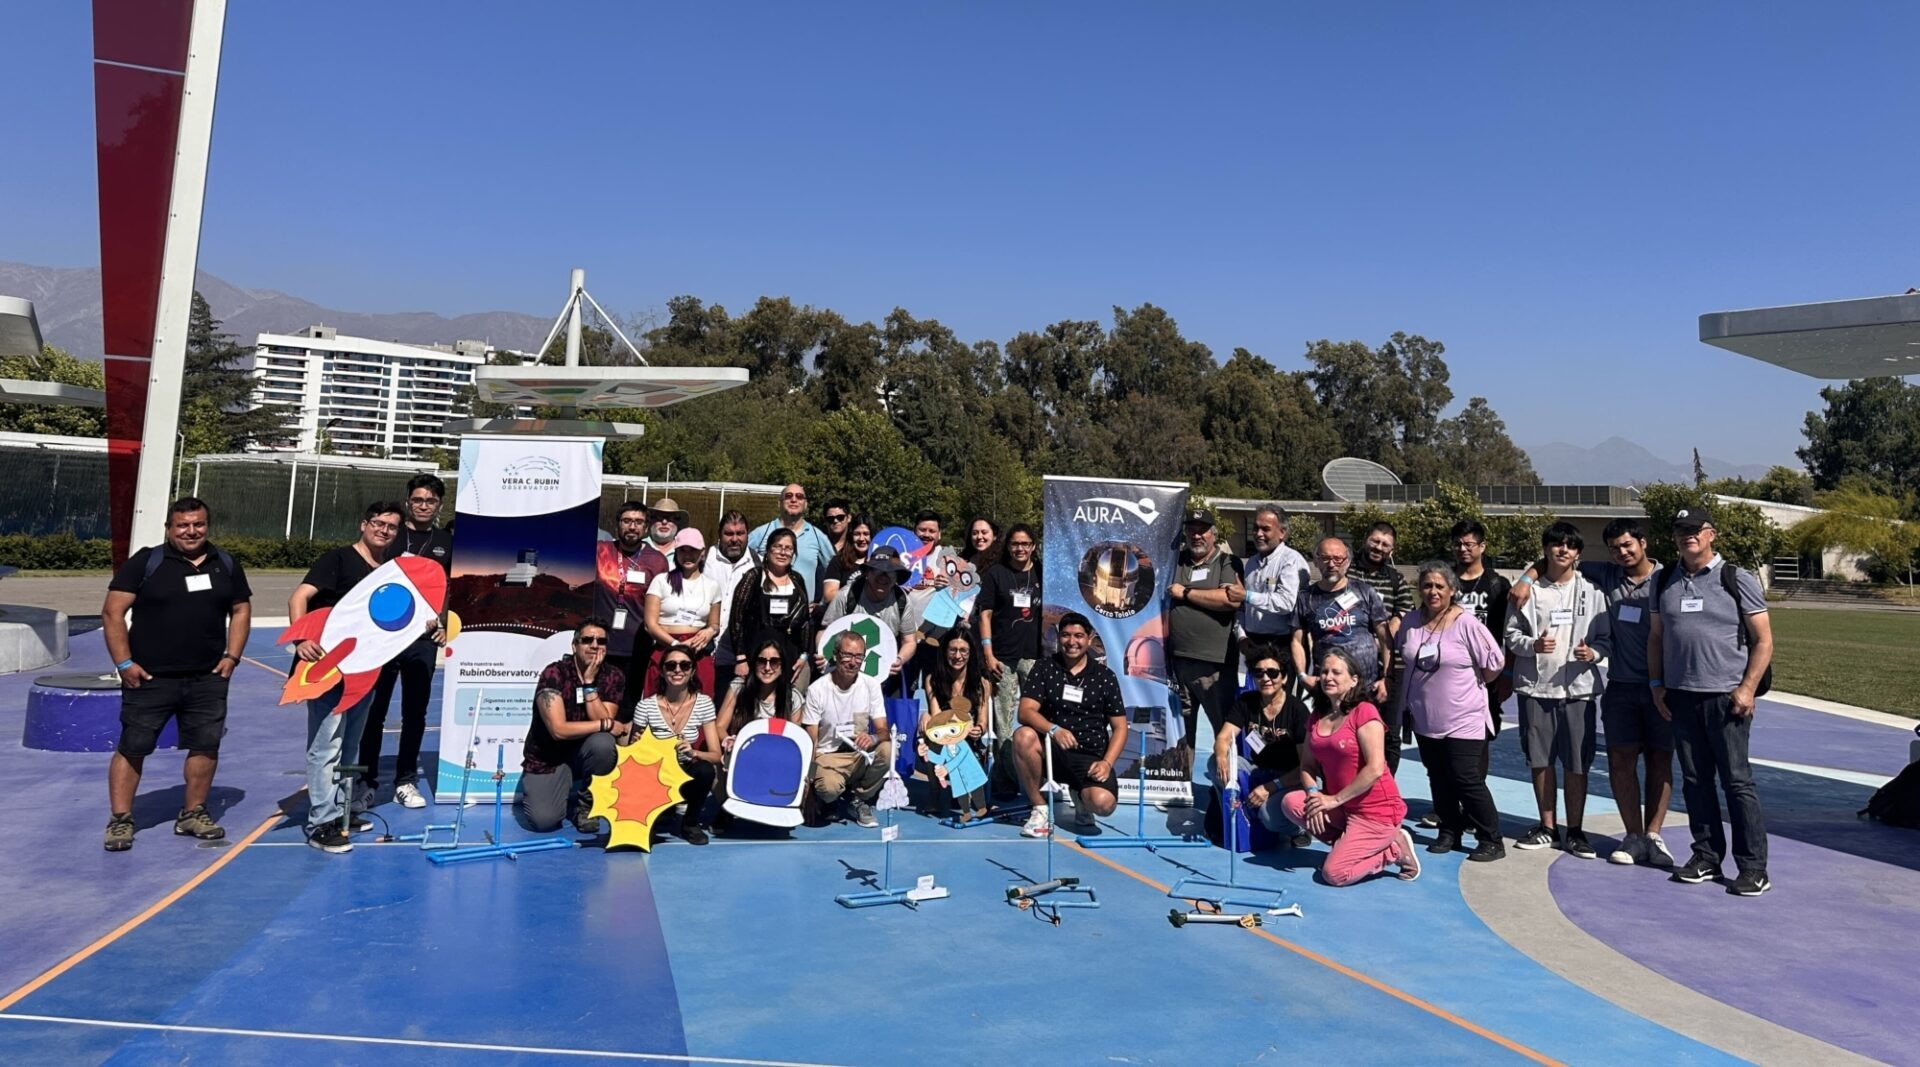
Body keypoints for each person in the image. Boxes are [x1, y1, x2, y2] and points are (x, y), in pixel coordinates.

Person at [1512, 517, 1673, 867]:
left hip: (1653, 687)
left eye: (1628, 545)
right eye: (1615, 548)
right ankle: (1616, 834)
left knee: (1656, 760)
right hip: (1610, 687)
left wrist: (1595, 653)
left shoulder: (1663, 578)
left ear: (1643, 543)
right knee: (1608, 761)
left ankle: (1643, 835)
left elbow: (1603, 638)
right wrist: (1527, 578)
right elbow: (1555, 561)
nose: (1622, 552)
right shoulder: (1607, 576)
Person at [100, 497, 252, 852]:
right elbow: (112, 612)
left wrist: (233, 656)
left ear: (207, 526)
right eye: (182, 525)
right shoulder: (146, 562)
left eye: (198, 524)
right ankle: (121, 820)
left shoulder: (225, 563)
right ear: (169, 528)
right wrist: (124, 664)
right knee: (133, 746)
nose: (191, 531)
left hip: (207, 678)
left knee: (205, 745)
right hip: (149, 677)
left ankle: (192, 813)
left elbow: (241, 609)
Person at [1648, 506, 1773, 896]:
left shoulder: (1736, 578)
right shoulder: (1664, 579)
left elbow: (1763, 640)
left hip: (1727, 697)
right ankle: (1706, 855)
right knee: (1695, 781)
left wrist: (1747, 688)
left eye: (1695, 529)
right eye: (1680, 530)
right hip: (1681, 695)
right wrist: (1657, 684)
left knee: (1737, 782)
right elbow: (1656, 637)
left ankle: (1753, 868)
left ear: (1711, 534)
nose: (1688, 536)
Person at [288, 501, 411, 853]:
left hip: (364, 671)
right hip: (328, 671)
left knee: (349, 745)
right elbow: (300, 596)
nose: (384, 530)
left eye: (391, 526)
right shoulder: (338, 559)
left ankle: (342, 812)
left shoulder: (386, 569)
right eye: (378, 523)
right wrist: (302, 638)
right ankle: (321, 822)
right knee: (325, 745)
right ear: (363, 524)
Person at [1504, 522, 1611, 859]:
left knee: (1578, 762)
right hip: (1537, 689)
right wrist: (1532, 645)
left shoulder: (1593, 592)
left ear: (1578, 553)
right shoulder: (1525, 592)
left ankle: (1575, 830)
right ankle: (1547, 827)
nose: (1563, 550)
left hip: (1578, 690)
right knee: (1540, 760)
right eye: (1556, 544)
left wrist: (1592, 654)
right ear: (1546, 549)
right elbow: (1511, 635)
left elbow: (1605, 640)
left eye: (1570, 546)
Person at [1283, 647, 1421, 886]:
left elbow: (1375, 768)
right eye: (1324, 671)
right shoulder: (1317, 716)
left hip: (1375, 811)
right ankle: (1349, 844)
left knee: (1334, 875)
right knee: (1292, 803)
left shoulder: (1364, 712)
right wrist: (1315, 795)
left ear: (1353, 680)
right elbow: (1307, 766)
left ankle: (1393, 850)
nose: (1328, 677)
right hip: (1343, 808)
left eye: (1336, 672)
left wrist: (1332, 800)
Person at [1398, 562, 1507, 861]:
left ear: (1452, 590)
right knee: (1437, 775)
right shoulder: (1411, 621)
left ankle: (1491, 839)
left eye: (1439, 586)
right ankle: (1449, 830)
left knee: (1465, 777)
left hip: (1464, 716)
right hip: (1424, 716)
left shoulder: (1467, 623)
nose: (1433, 592)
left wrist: (1473, 685)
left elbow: (1495, 663)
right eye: (1427, 586)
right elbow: (1404, 654)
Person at [357, 472, 451, 811]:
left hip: (421, 641)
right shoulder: (390, 535)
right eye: (417, 500)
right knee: (374, 711)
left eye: (430, 501)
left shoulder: (446, 541)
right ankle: (365, 781)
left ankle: (406, 779)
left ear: (439, 505)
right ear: (408, 501)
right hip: (383, 639)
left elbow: (451, 588)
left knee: (415, 713)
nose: (423, 506)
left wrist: (444, 622)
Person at [1010, 612, 1126, 838]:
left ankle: (1081, 797)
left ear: (1089, 639)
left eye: (1078, 636)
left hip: (1089, 755)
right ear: (1058, 637)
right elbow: (1025, 711)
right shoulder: (1044, 668)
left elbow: (1121, 727)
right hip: (1051, 751)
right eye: (1065, 635)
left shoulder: (1105, 676)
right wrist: (1053, 729)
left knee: (1103, 804)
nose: (1071, 642)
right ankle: (1040, 808)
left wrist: (1106, 763)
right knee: (1023, 736)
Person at [521, 619, 630, 834]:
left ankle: (586, 805)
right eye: (587, 640)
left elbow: (605, 726)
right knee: (544, 821)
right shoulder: (554, 673)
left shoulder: (613, 676)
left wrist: (589, 685)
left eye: (601, 641)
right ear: (574, 646)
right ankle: (557, 786)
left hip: (584, 753)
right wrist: (604, 724)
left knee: (603, 744)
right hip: (549, 757)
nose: (594, 645)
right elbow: (558, 730)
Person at [1165, 508, 1244, 772]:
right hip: (1178, 664)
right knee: (1181, 735)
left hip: (1215, 666)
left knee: (1223, 733)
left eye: (1202, 530)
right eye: (1191, 529)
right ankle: (1181, 786)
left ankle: (1225, 791)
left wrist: (1185, 593)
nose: (1196, 535)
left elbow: (1228, 600)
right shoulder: (1175, 562)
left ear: (1213, 533)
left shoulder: (1228, 563)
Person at [1211, 645, 1311, 848]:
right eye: (1259, 673)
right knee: (1214, 763)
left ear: (1283, 678)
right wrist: (1222, 757)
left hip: (1290, 777)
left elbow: (1306, 768)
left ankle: (1298, 828)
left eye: (1273, 673)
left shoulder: (1297, 710)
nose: (1265, 678)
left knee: (1268, 816)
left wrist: (1269, 788)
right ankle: (1235, 813)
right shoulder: (1246, 702)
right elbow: (1223, 738)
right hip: (1258, 769)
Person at [630, 644, 722, 845]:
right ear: (662, 671)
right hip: (655, 773)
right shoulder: (645, 706)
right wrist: (638, 747)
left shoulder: (704, 703)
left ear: (693, 670)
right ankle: (660, 810)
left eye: (684, 665)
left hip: (686, 771)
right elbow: (631, 757)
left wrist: (694, 752)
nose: (678, 670)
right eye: (671, 666)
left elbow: (716, 755)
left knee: (705, 770)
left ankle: (690, 823)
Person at [712, 636, 805, 834]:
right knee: (715, 764)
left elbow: (797, 741)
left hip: (775, 762)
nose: (768, 667)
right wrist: (728, 740)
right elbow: (719, 726)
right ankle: (727, 807)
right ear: (754, 663)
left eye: (774, 662)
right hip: (741, 757)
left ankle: (776, 807)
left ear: (782, 665)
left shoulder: (793, 698)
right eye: (762, 661)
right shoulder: (738, 688)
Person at [975, 523, 1041, 796]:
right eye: (1015, 544)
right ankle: (1007, 777)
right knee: (1002, 723)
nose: (1020, 548)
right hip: (1002, 657)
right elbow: (985, 615)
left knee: (1037, 717)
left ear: (1034, 547)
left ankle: (1037, 772)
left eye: (1025, 544)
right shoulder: (996, 574)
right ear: (1008, 546)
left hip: (1035, 657)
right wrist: (988, 654)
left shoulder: (1043, 574)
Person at [803, 631, 892, 827]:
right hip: (828, 756)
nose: (853, 662)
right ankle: (828, 797)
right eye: (847, 655)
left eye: (859, 656)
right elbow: (811, 743)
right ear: (835, 655)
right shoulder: (817, 690)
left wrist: (873, 739)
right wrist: (808, 787)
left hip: (858, 754)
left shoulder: (871, 685)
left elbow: (883, 731)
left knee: (889, 750)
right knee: (828, 789)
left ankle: (858, 797)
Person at [594, 499, 676, 711]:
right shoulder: (600, 551)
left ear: (646, 527)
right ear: (617, 524)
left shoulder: (657, 561)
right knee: (596, 704)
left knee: (627, 707)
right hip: (600, 645)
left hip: (637, 647)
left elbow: (661, 606)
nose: (632, 526)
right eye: (627, 521)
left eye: (638, 522)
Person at [1449, 520, 1513, 789]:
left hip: (1484, 677)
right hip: (1448, 673)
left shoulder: (1497, 584)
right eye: (1458, 544)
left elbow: (1508, 634)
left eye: (1469, 544)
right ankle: (1446, 803)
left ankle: (1473, 800)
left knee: (1479, 740)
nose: (1463, 549)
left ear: (1482, 546)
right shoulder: (1445, 580)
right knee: (1444, 740)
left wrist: (1506, 674)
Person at [1292, 537, 1392, 706]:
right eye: (1325, 558)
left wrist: (1387, 678)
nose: (1331, 564)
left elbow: (1384, 637)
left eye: (1338, 559)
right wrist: (1302, 676)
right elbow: (1296, 641)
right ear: (1316, 561)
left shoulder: (1365, 592)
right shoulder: (1305, 598)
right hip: (1327, 689)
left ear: (1348, 561)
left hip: (1367, 688)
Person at [1351, 521, 1414, 772]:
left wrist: (1385, 633)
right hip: (1351, 663)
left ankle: (1384, 786)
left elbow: (1404, 612)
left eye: (1385, 544)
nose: (1379, 547)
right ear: (1366, 540)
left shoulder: (1396, 580)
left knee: (1389, 730)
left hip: (1390, 666)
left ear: (1392, 550)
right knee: (1350, 725)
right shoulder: (1348, 572)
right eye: (1375, 541)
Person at [820, 545, 924, 691]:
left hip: (883, 677)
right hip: (845, 677)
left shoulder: (902, 600)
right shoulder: (847, 595)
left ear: (896, 577)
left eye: (890, 572)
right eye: (878, 571)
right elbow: (825, 631)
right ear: (868, 573)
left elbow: (909, 641)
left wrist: (900, 659)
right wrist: (822, 655)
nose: (883, 577)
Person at [918, 627, 993, 815]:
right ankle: (935, 794)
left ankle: (965, 791)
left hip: (969, 742)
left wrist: (979, 729)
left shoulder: (982, 683)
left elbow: (983, 720)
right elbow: (936, 718)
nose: (958, 656)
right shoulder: (932, 679)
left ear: (970, 653)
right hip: (944, 739)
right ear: (945, 652)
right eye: (953, 650)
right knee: (927, 729)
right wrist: (927, 720)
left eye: (963, 651)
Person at [727, 527, 812, 685]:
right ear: (768, 549)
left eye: (788, 548)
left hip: (790, 658)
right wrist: (740, 658)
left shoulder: (797, 580)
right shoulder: (753, 577)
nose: (783, 552)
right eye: (778, 546)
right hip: (758, 657)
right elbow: (736, 618)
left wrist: (803, 656)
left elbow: (805, 621)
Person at [644, 528, 721, 695]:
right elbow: (650, 625)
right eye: (683, 551)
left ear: (702, 552)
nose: (688, 555)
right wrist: (675, 646)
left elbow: (715, 624)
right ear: (676, 553)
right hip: (666, 647)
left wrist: (709, 631)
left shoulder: (712, 585)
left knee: (701, 703)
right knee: (659, 702)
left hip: (697, 652)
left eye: (693, 551)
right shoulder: (661, 581)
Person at [1236, 504, 1311, 676]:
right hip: (1253, 642)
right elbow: (1242, 607)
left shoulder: (1291, 561)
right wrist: (1241, 636)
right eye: (1255, 528)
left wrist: (1247, 595)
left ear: (1282, 533)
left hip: (1281, 644)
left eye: (1265, 529)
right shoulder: (1251, 563)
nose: (1258, 534)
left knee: (1279, 701)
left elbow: (1285, 603)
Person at [747, 484, 833, 610]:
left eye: (799, 497)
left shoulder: (817, 536)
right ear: (779, 503)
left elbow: (834, 570)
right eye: (788, 496)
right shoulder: (761, 533)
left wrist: (822, 604)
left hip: (803, 615)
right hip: (764, 613)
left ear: (805, 504)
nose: (794, 500)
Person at [704, 510, 759, 682]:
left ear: (747, 534)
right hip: (703, 652)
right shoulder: (705, 559)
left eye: (740, 533)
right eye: (729, 534)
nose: (734, 539)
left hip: (739, 658)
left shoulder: (759, 565)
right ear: (720, 535)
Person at [820, 514, 874, 605]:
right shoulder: (838, 561)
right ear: (850, 536)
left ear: (872, 536)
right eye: (857, 534)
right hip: (845, 616)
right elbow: (828, 596)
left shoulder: (881, 562)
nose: (861, 539)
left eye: (866, 534)